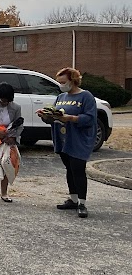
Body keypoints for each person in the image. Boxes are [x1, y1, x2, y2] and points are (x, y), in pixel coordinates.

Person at [36, 67, 97, 218]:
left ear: (73, 80)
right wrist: (46, 116)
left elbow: (90, 118)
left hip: (79, 140)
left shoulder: (86, 96)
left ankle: (82, 203)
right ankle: (73, 199)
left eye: (63, 82)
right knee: (69, 169)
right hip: (63, 140)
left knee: (78, 169)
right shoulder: (61, 97)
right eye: (59, 82)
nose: (61, 85)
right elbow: (55, 117)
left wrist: (70, 118)